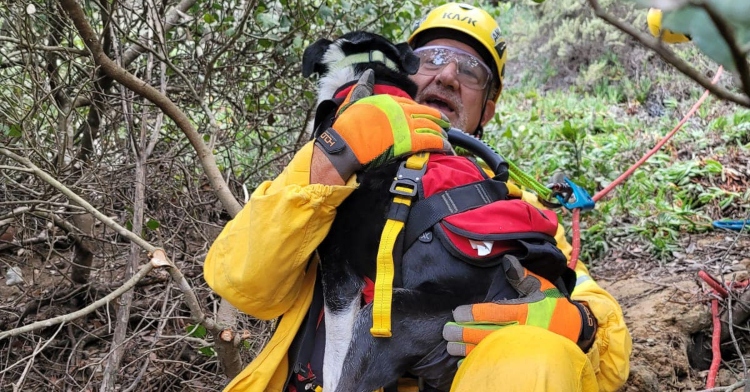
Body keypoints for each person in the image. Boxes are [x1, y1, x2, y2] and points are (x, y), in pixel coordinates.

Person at [204, 3, 632, 391]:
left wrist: (584, 323)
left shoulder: (513, 208)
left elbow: (610, 357)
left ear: (488, 107)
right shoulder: (340, 157)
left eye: (471, 70)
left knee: (538, 356)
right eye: (432, 59)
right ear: (404, 71)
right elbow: (243, 283)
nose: (447, 75)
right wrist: (334, 156)